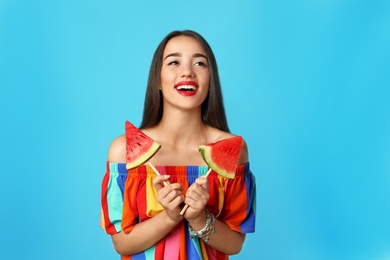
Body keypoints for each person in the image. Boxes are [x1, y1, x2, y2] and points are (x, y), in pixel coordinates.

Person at [101, 30, 256, 260]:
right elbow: (122, 244)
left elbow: (234, 244)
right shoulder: (122, 150)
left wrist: (199, 218)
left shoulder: (233, 150)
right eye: (174, 62)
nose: (187, 72)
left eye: (199, 63)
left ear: (210, 78)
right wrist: (169, 217)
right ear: (158, 80)